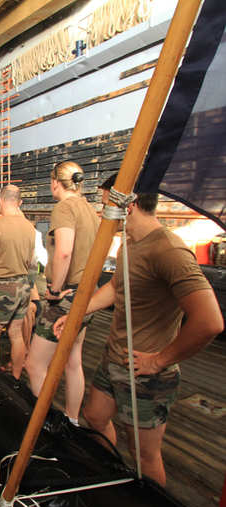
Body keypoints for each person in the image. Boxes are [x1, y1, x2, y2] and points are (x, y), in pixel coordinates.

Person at [53, 193, 222, 485]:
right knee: (94, 418)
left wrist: (160, 360)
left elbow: (210, 322)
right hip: (114, 358)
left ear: (127, 205)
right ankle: (111, 477)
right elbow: (118, 286)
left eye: (106, 203)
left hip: (146, 373)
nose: (101, 210)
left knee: (144, 455)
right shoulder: (129, 245)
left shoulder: (169, 251)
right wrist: (79, 313)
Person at [25, 161, 100, 425]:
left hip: (65, 296)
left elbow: (64, 251)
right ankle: (72, 420)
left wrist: (55, 290)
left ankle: (44, 425)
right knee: (72, 360)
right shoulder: (90, 210)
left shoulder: (64, 207)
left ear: (55, 182)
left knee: (35, 365)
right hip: (87, 294)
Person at [0, 185, 36, 378]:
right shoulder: (29, 226)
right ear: (18, 201)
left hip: (2, 286)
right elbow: (30, 261)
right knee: (17, 334)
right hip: (23, 285)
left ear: (1, 200)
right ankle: (17, 378)